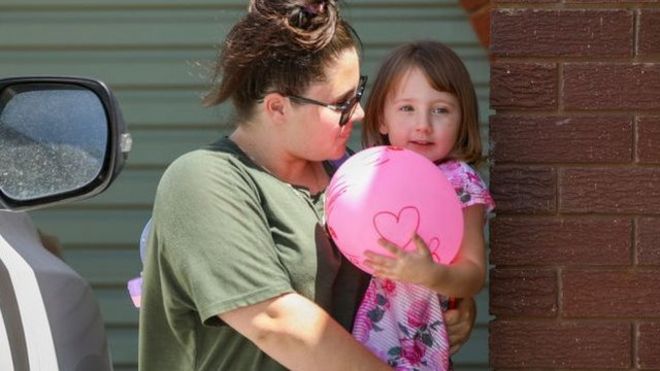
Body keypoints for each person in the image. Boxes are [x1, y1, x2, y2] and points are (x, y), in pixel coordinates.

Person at [138, 1, 475, 369]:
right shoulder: (203, 180)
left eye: (358, 93)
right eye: (341, 103)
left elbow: (426, 264)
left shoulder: (357, 173)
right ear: (278, 108)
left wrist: (449, 301)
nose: (360, 113)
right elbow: (279, 324)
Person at [353, 40, 495, 370]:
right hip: (354, 340)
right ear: (382, 119)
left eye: (441, 110)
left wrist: (432, 274)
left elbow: (472, 274)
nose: (423, 124)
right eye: (407, 108)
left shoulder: (460, 182)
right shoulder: (364, 175)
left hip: (415, 346)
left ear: (462, 120)